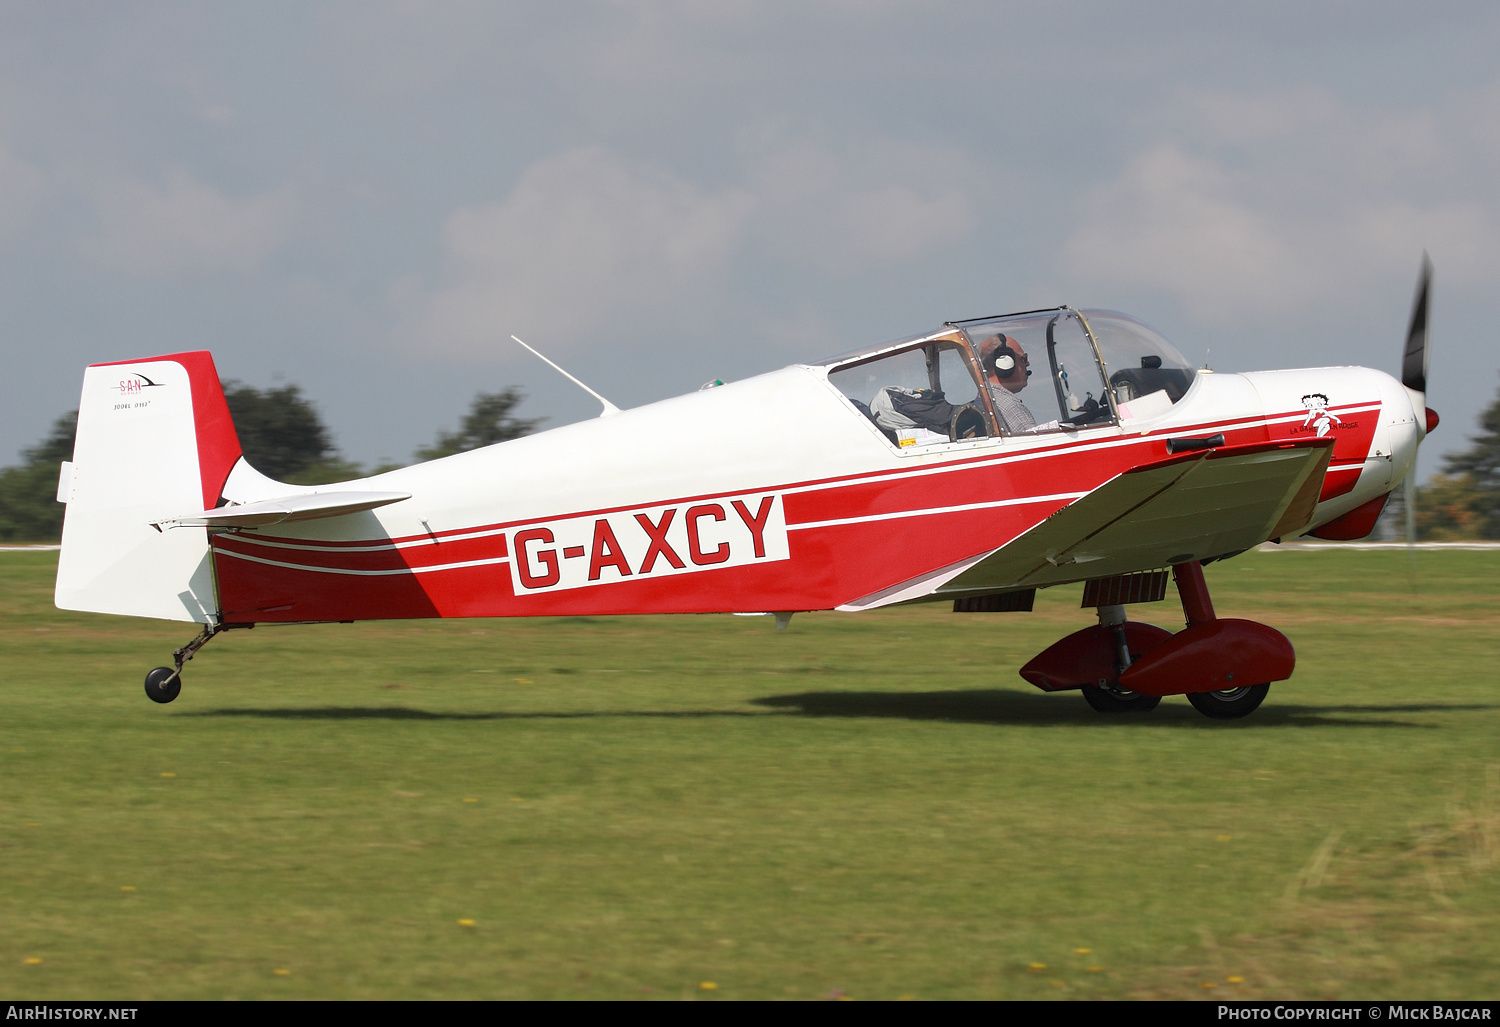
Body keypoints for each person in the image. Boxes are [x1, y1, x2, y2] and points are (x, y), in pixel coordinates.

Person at [979, 334, 1038, 433]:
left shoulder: (983, 399)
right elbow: (1037, 444)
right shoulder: (1010, 406)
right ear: (1005, 363)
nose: (1027, 364)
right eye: (1023, 359)